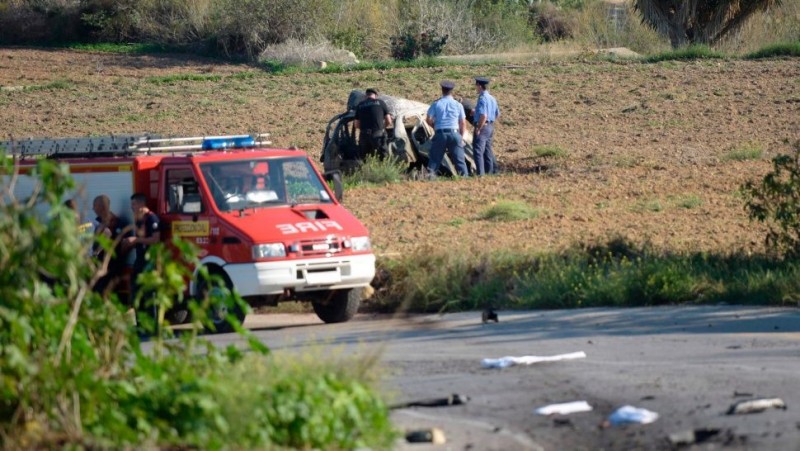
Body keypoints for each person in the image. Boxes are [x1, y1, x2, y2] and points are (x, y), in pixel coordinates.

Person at [125, 193, 160, 330]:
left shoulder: (152, 219)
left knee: (149, 294)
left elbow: (155, 239)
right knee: (136, 293)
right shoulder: (139, 219)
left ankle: (152, 326)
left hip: (149, 261)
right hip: (139, 260)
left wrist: (136, 240)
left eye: (134, 204)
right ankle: (140, 324)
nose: (132, 207)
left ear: (141, 204)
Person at [425, 80, 469, 177]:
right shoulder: (458, 105)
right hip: (454, 133)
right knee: (460, 161)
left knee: (434, 160)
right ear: (451, 91)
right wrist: (461, 137)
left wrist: (434, 126)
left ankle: (430, 181)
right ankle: (465, 180)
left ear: (442, 90)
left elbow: (428, 119)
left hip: (440, 133)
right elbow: (462, 123)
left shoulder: (436, 104)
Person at [91, 194, 131, 296]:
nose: (93, 209)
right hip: (98, 266)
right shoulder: (98, 223)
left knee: (106, 294)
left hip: (111, 267)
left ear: (102, 207)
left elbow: (124, 246)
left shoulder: (118, 223)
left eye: (95, 206)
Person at [473, 76, 501, 175]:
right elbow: (497, 113)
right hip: (490, 126)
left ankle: (480, 174)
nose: (475, 87)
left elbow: (483, 115)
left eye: (476, 85)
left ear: (480, 86)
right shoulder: (492, 98)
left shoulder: (482, 98)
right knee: (488, 150)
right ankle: (490, 172)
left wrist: (478, 128)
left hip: (483, 126)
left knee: (478, 151)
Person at [354, 88, 392, 159]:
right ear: (376, 95)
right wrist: (383, 128)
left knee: (365, 159)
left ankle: (367, 170)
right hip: (377, 135)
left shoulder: (360, 105)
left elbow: (356, 125)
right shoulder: (381, 103)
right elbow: (389, 121)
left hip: (364, 136)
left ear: (366, 96)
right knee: (383, 159)